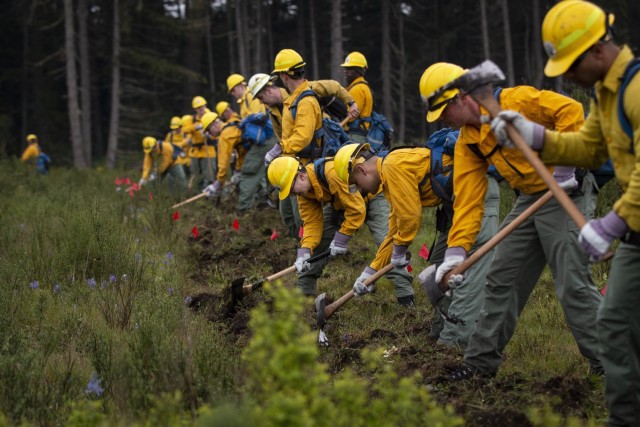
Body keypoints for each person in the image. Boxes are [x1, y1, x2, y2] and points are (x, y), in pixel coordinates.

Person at [489, 1, 639, 423]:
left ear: (597, 51)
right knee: (614, 323)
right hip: (634, 231)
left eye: (571, 64)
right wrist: (533, 134)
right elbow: (587, 148)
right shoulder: (606, 93)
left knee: (618, 324)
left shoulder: (636, 90)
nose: (567, 76)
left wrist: (611, 222)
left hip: (631, 223)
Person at [419, 61, 603, 380]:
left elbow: (570, 109)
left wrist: (564, 169)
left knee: (572, 282)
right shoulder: (468, 142)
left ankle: (611, 362)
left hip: (566, 192)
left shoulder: (514, 101)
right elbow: (468, 201)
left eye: (444, 112)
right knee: (501, 277)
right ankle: (479, 363)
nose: (443, 121)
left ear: (461, 98)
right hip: (530, 198)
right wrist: (455, 253)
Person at [266, 156, 398, 300]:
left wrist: (342, 238)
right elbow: (311, 223)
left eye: (291, 189)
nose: (292, 195)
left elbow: (356, 210)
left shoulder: (332, 173)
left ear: (301, 176)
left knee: (387, 242)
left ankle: (405, 296)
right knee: (319, 242)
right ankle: (304, 297)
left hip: (374, 195)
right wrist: (305, 250)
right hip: (342, 204)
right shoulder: (304, 194)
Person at [332, 143, 448, 306]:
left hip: (469, 195)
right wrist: (370, 272)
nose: (359, 190)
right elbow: (394, 231)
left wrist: (399, 250)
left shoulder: (392, 166)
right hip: (454, 203)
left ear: (362, 170)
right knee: (439, 264)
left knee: (449, 268)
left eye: (356, 184)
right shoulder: (388, 177)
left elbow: (410, 217)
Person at [248, 71, 359, 238]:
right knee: (286, 212)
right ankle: (301, 244)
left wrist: (351, 102)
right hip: (294, 162)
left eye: (260, 97)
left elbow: (334, 87)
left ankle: (316, 245)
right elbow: (283, 139)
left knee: (303, 211)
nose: (261, 102)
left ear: (268, 91)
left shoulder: (304, 91)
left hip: (318, 156)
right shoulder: (273, 112)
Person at [182, 96, 216, 190]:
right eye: (198, 107)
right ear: (195, 109)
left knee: (209, 175)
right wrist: (196, 127)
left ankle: (209, 196)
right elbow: (185, 129)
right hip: (195, 152)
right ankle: (196, 195)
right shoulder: (192, 119)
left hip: (208, 151)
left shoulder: (211, 116)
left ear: (205, 105)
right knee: (196, 175)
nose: (200, 109)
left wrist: (209, 134)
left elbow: (217, 132)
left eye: (201, 106)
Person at [340, 51, 373, 144]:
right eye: (346, 68)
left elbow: (351, 116)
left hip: (355, 135)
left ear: (359, 71)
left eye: (349, 69)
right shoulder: (363, 86)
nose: (345, 71)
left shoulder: (357, 89)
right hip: (360, 133)